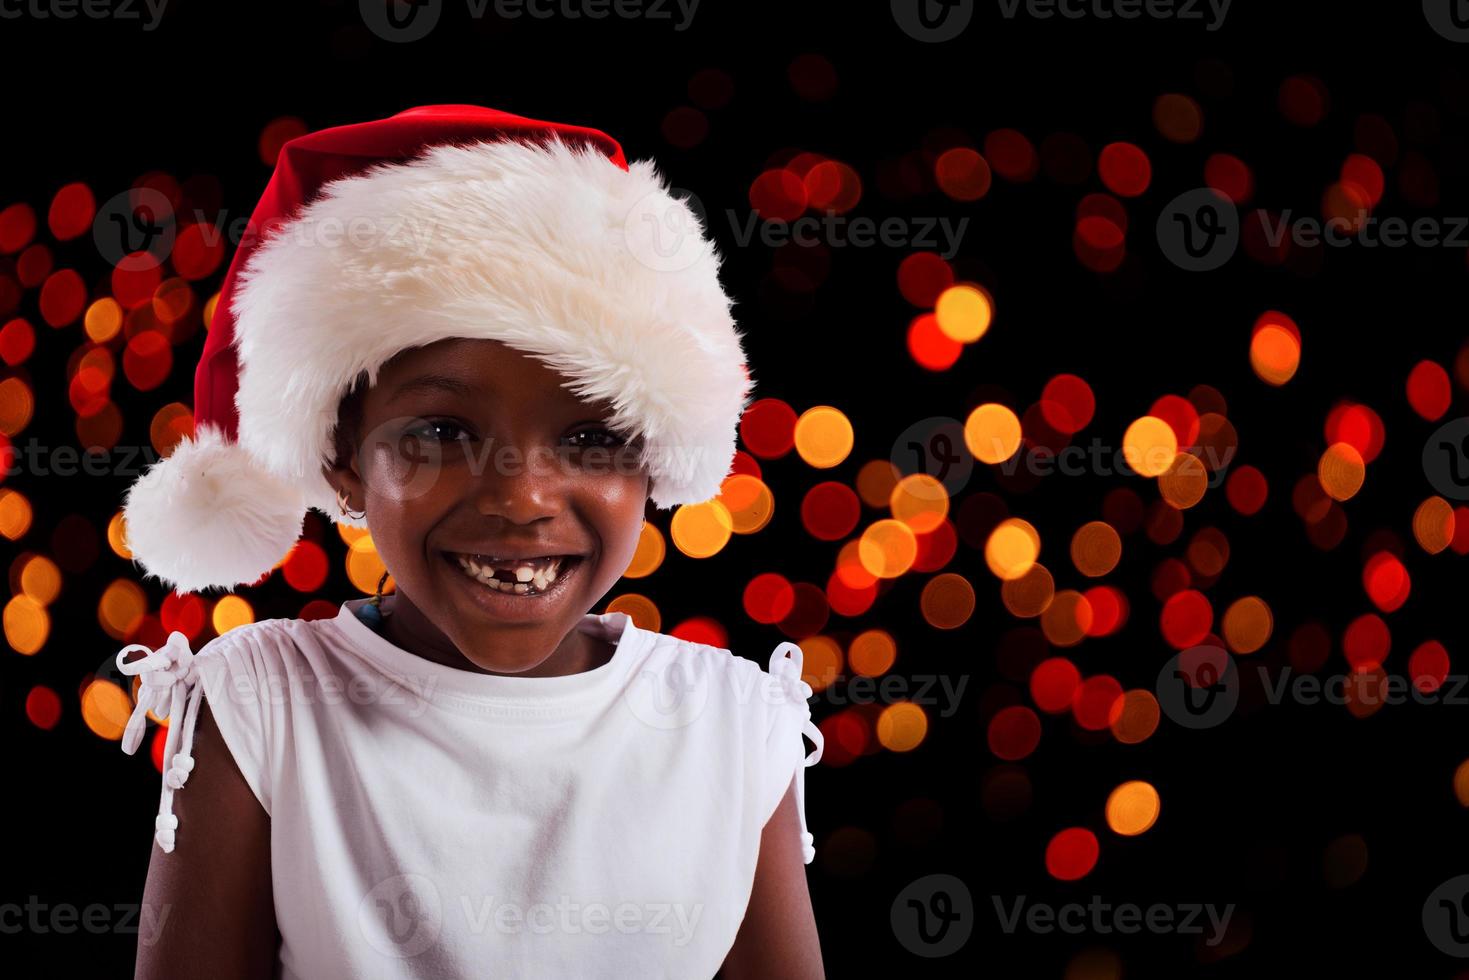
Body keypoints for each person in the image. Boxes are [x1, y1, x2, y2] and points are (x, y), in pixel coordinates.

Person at [112, 104, 825, 979]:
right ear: (340, 461)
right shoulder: (259, 711)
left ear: (656, 462)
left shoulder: (733, 727)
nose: (522, 498)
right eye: (442, 433)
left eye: (592, 437)